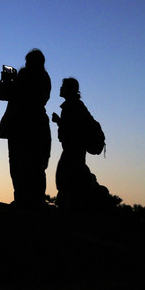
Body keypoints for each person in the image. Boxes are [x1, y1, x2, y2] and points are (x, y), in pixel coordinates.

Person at [4, 49, 51, 208]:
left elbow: (17, 96)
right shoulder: (37, 78)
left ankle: (31, 201)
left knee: (29, 166)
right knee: (19, 166)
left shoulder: (35, 79)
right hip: (22, 127)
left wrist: (13, 83)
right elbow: (4, 94)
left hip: (28, 127)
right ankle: (24, 199)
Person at [52, 78, 93, 212]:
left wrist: (59, 121)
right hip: (74, 150)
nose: (60, 88)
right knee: (70, 179)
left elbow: (73, 130)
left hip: (73, 150)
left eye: (63, 86)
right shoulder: (75, 105)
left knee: (67, 180)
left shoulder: (72, 106)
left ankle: (70, 212)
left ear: (69, 89)